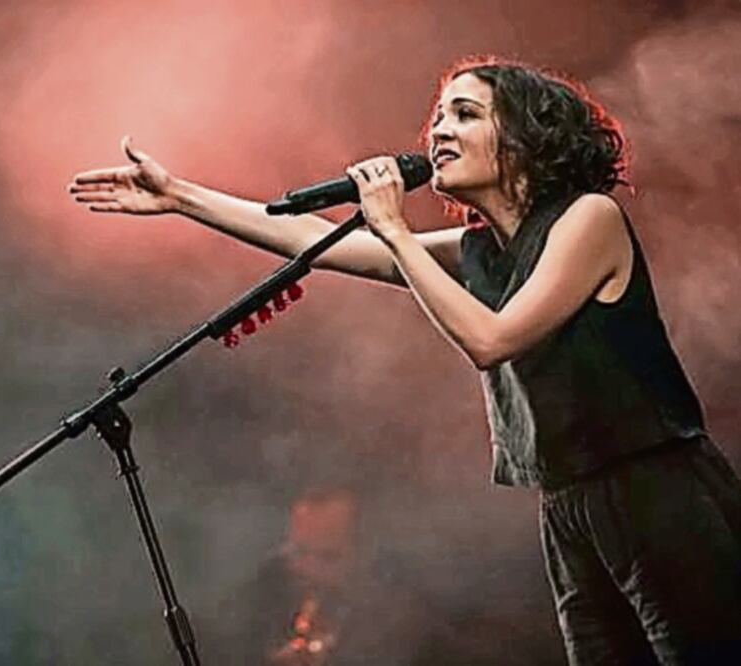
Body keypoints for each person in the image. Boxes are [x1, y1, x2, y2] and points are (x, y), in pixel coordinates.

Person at [69, 57, 741, 665]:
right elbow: (314, 242)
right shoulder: (481, 248)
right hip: (567, 502)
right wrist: (183, 197)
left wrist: (393, 227)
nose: (438, 131)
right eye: (439, 114)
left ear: (527, 140)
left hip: (657, 487)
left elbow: (493, 338)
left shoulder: (589, 219)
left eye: (466, 114)